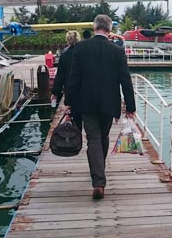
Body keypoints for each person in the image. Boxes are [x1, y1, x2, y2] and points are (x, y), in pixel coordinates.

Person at [65, 15, 136, 200]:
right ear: (109, 29)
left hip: (85, 102)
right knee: (103, 137)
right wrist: (130, 106)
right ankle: (99, 174)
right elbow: (125, 80)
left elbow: (73, 79)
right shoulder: (117, 51)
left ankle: (98, 180)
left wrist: (68, 103)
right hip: (109, 102)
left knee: (93, 139)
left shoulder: (80, 48)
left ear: (94, 27)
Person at [51, 30, 81, 129]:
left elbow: (60, 76)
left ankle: (77, 138)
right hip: (85, 89)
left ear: (68, 40)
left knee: (75, 120)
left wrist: (55, 92)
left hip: (70, 90)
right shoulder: (85, 53)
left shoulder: (65, 55)